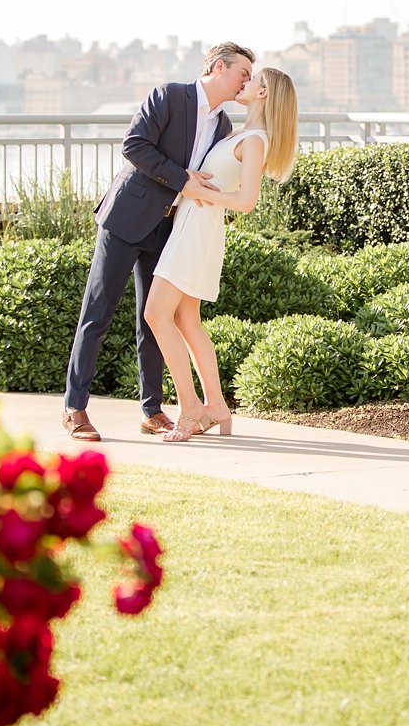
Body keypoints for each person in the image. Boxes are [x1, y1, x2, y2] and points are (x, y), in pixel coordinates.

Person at [60, 42, 255, 441]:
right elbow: (134, 146)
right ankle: (74, 408)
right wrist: (184, 179)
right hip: (126, 219)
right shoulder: (169, 95)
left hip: (169, 230)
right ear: (219, 67)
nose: (247, 82)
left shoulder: (222, 127)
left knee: (154, 320)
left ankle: (152, 410)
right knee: (97, 314)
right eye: (243, 74)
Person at [142, 67, 300, 442]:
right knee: (185, 320)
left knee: (156, 314)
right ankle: (216, 405)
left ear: (263, 94)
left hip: (198, 228)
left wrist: (200, 194)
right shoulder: (239, 133)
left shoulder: (256, 140)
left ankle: (190, 407)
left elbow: (246, 201)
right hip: (192, 225)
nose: (244, 84)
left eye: (251, 80)